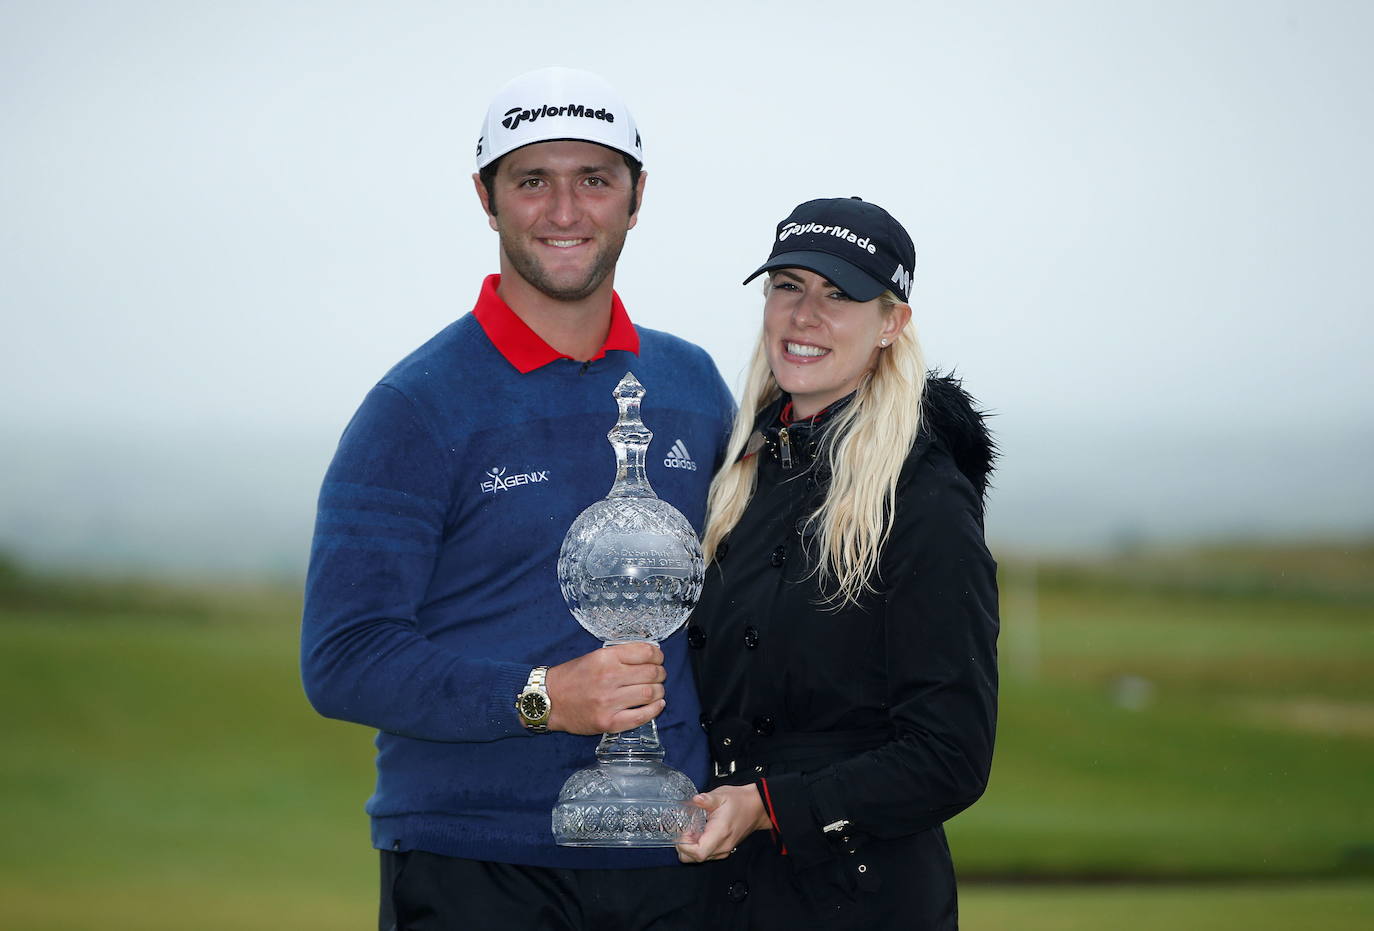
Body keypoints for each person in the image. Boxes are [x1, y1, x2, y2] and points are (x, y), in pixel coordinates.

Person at [301, 67, 735, 930]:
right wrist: (543, 696)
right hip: (475, 862)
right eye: (533, 180)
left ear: (637, 197)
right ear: (487, 198)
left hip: (671, 859)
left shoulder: (693, 386)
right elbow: (344, 656)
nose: (565, 211)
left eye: (595, 180)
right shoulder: (417, 408)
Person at [674, 197, 999, 929]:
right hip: (722, 894)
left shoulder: (922, 498)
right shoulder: (738, 474)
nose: (804, 314)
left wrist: (766, 806)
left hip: (860, 900)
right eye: (787, 285)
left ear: (892, 323)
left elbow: (950, 755)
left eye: (840, 293)